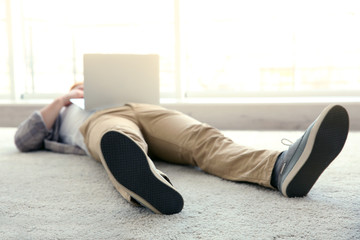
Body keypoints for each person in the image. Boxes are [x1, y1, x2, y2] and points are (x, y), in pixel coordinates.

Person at [14, 82, 350, 215]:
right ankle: (145, 181)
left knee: (203, 138)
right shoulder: (63, 113)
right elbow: (23, 139)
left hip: (145, 108)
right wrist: (63, 99)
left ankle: (279, 167)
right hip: (99, 119)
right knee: (115, 136)